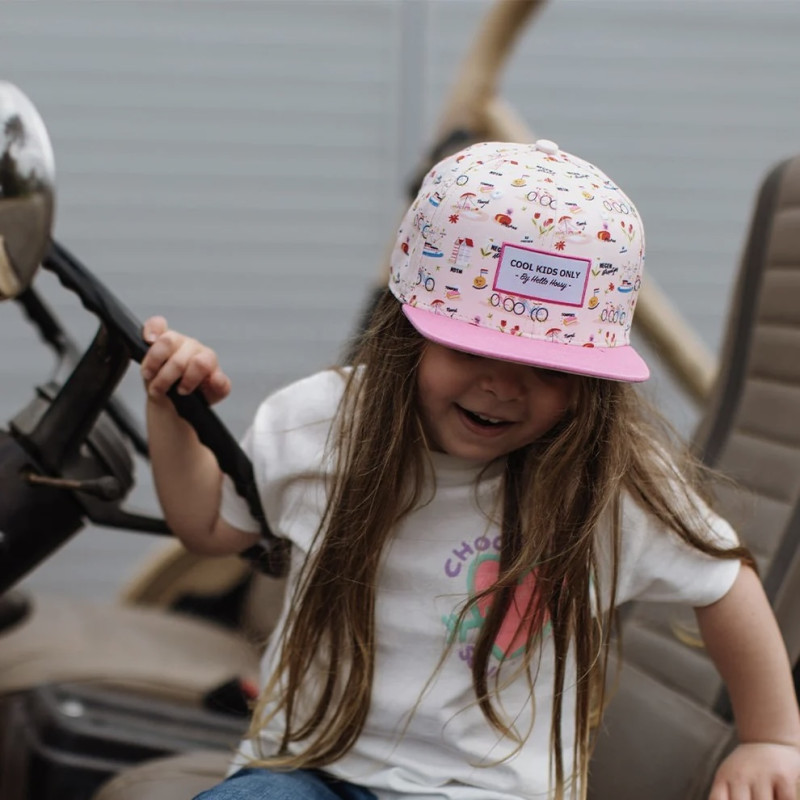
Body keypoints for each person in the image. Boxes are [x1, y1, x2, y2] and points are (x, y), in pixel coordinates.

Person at [141, 140, 800, 800]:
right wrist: (173, 411)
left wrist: (772, 737)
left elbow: (722, 578)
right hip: (309, 769)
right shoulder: (319, 424)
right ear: (409, 331)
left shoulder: (604, 483)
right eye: (473, 346)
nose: (504, 387)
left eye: (549, 368)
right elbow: (207, 525)